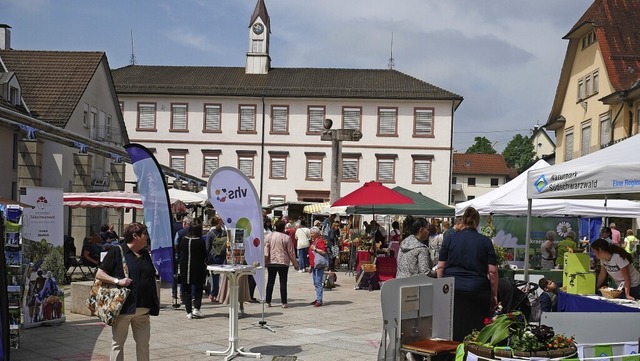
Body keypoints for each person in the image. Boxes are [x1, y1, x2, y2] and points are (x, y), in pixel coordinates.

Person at [96, 222, 159, 361]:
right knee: (118, 344)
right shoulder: (117, 251)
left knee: (143, 344)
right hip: (123, 308)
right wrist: (118, 281)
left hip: (143, 309)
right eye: (145, 234)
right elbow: (99, 274)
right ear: (135, 236)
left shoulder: (144, 254)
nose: (147, 237)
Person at [437, 206, 498, 342]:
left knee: (454, 327)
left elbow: (440, 267)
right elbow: (492, 271)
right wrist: (494, 294)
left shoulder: (450, 239)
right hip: (477, 290)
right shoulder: (485, 241)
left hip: (453, 289)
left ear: (463, 220)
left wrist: (442, 290)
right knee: (476, 330)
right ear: (477, 222)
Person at [264, 220, 299, 308]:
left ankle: (268, 301)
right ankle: (284, 302)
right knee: (283, 282)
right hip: (283, 262)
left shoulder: (269, 236)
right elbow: (291, 252)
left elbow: (266, 250)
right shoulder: (286, 238)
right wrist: (295, 264)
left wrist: (264, 260)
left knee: (270, 281)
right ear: (283, 227)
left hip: (271, 261)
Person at [179, 221, 207, 319]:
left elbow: (180, 252)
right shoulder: (200, 241)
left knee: (187, 289)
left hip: (185, 267)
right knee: (198, 288)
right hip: (198, 267)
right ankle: (196, 308)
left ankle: (188, 311)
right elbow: (204, 255)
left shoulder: (184, 240)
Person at [205, 216, 227, 302]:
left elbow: (207, 248)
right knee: (220, 276)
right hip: (222, 256)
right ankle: (218, 293)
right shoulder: (223, 232)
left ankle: (214, 294)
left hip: (213, 257)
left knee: (215, 277)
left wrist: (206, 258)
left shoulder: (210, 234)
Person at [308, 226, 327, 307]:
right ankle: (318, 298)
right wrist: (310, 265)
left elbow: (323, 252)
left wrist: (315, 249)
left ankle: (319, 300)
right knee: (316, 283)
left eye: (312, 233)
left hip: (318, 265)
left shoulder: (319, 241)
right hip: (314, 265)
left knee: (318, 282)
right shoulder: (315, 241)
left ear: (316, 233)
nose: (310, 234)